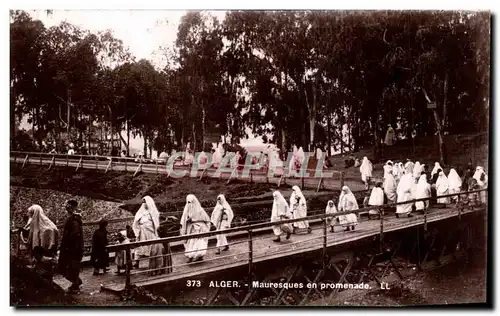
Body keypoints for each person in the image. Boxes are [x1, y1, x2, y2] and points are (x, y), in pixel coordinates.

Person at [58, 200, 84, 294]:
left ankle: (76, 285)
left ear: (72, 207)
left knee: (72, 266)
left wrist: (69, 246)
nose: (67, 207)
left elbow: (75, 235)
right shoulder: (71, 218)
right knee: (69, 266)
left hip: (74, 248)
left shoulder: (74, 220)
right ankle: (75, 283)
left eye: (69, 206)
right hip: (71, 247)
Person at [180, 194, 211, 262]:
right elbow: (183, 219)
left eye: (191, 202)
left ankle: (200, 256)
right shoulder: (186, 210)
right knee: (191, 242)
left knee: (199, 242)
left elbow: (207, 219)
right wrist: (186, 221)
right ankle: (190, 256)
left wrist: (194, 219)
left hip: (200, 229)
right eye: (188, 202)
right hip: (191, 229)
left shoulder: (200, 210)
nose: (189, 204)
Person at [132, 196, 160, 268]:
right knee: (139, 247)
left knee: (152, 247)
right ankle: (136, 262)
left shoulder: (153, 212)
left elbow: (156, 222)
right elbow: (135, 222)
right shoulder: (140, 211)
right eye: (143, 202)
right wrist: (137, 231)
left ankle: (153, 262)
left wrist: (154, 228)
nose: (144, 203)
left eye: (145, 202)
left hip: (150, 232)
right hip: (142, 232)